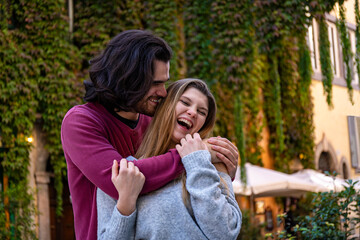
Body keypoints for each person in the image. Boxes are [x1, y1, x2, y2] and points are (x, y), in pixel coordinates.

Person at [61, 30, 239, 240]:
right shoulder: (81, 121)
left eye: (164, 83)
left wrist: (220, 168)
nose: (163, 92)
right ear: (128, 78)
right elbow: (117, 182)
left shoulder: (152, 123)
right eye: (155, 83)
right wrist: (196, 157)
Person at [97, 79, 242, 239]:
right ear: (166, 106)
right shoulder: (125, 173)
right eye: (185, 102)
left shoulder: (211, 165)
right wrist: (126, 204)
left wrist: (198, 164)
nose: (193, 112)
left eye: (201, 112)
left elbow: (226, 233)